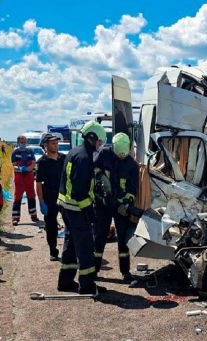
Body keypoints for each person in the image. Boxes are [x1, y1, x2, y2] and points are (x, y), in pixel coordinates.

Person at [57, 121, 107, 294]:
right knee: (86, 248)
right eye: (99, 142)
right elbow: (80, 190)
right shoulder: (85, 158)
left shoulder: (73, 152)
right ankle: (87, 285)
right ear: (92, 138)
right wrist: (90, 213)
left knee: (71, 245)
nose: (100, 146)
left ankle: (65, 281)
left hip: (66, 207)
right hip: (77, 209)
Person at [93, 132, 139, 282]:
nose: (121, 158)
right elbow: (94, 171)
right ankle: (94, 270)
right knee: (99, 237)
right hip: (103, 204)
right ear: (113, 147)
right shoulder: (103, 154)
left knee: (123, 240)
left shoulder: (131, 164)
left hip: (120, 206)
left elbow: (133, 190)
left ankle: (125, 272)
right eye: (119, 155)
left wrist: (125, 203)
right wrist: (101, 180)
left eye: (123, 156)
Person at [36, 133, 66, 261]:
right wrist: (42, 202)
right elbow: (38, 184)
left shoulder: (64, 159)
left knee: (71, 224)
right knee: (51, 226)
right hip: (50, 198)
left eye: (56, 143)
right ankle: (53, 251)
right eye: (53, 143)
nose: (56, 145)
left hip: (65, 197)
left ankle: (71, 250)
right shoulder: (42, 162)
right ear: (45, 145)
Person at [11, 135, 38, 225]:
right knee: (17, 197)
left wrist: (28, 169)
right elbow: (14, 165)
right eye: (21, 142)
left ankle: (33, 215)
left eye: (24, 141)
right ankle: (15, 217)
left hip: (29, 177)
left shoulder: (30, 151)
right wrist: (20, 169)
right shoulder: (15, 152)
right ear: (18, 142)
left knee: (31, 196)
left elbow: (33, 163)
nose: (23, 143)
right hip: (19, 178)